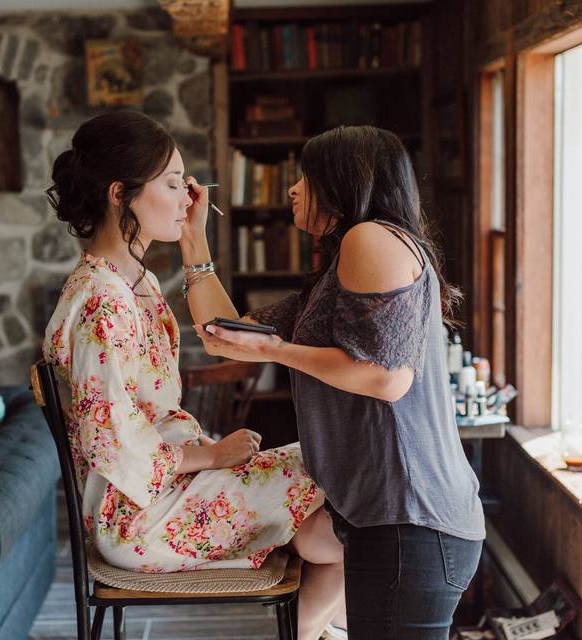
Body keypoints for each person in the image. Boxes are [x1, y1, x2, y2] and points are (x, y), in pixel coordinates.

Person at [42, 111, 345, 640]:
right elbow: (109, 438)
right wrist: (211, 456)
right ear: (121, 194)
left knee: (333, 493)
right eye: (172, 183)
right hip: (138, 516)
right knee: (338, 466)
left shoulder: (135, 284)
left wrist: (193, 241)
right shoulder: (102, 301)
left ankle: (322, 619)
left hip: (162, 491)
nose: (188, 196)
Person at [184, 124, 485, 639]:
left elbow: (386, 378)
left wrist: (276, 350)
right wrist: (193, 239)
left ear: (347, 181)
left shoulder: (371, 238)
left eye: (307, 176)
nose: (293, 189)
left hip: (411, 520)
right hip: (387, 519)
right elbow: (224, 339)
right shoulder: (338, 268)